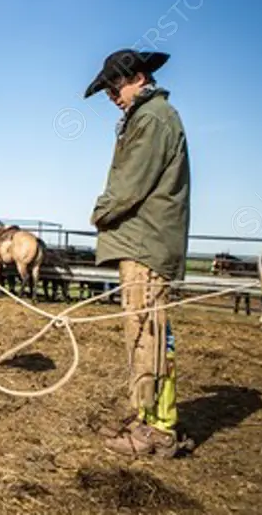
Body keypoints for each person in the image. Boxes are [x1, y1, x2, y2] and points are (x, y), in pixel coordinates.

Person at [83, 48, 192, 459]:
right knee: (146, 331)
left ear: (139, 77)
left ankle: (158, 429)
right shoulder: (152, 117)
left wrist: (100, 212)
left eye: (115, 86)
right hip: (144, 240)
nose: (112, 95)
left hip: (145, 242)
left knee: (148, 332)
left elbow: (129, 185)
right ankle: (148, 416)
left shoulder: (151, 119)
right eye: (108, 89)